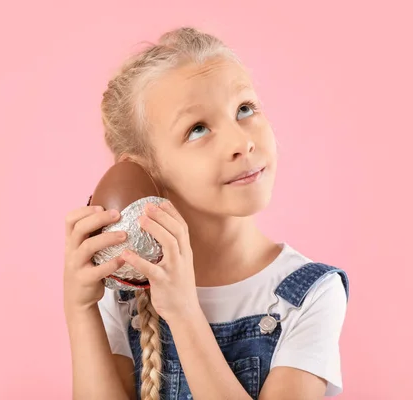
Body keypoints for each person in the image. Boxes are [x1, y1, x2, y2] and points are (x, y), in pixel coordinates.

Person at [63, 26, 350, 400]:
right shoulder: (122, 295)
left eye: (244, 109)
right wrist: (80, 309)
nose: (241, 142)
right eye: (198, 129)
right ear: (142, 171)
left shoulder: (309, 295)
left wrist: (184, 314)